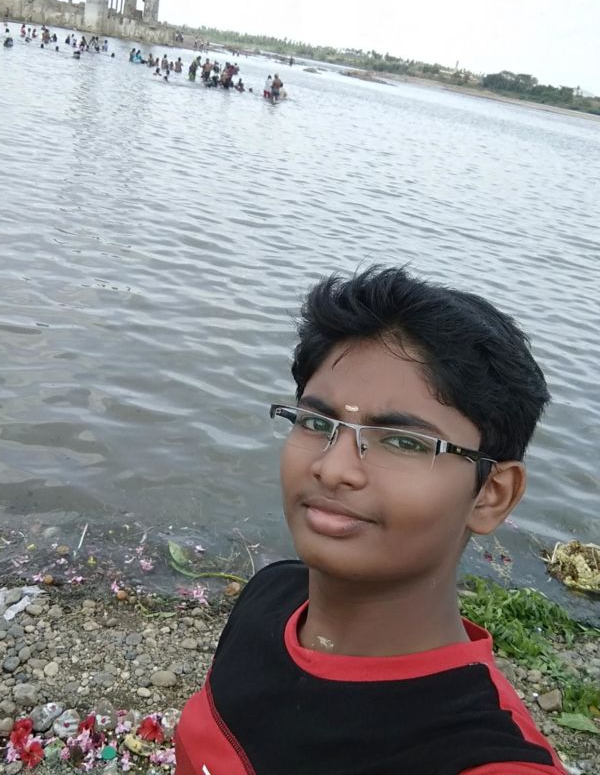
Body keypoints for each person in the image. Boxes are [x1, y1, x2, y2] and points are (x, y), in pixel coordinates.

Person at [173, 266, 568, 775]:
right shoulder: (270, 595)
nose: (333, 468)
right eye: (316, 422)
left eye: (403, 442)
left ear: (492, 495)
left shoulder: (484, 757)